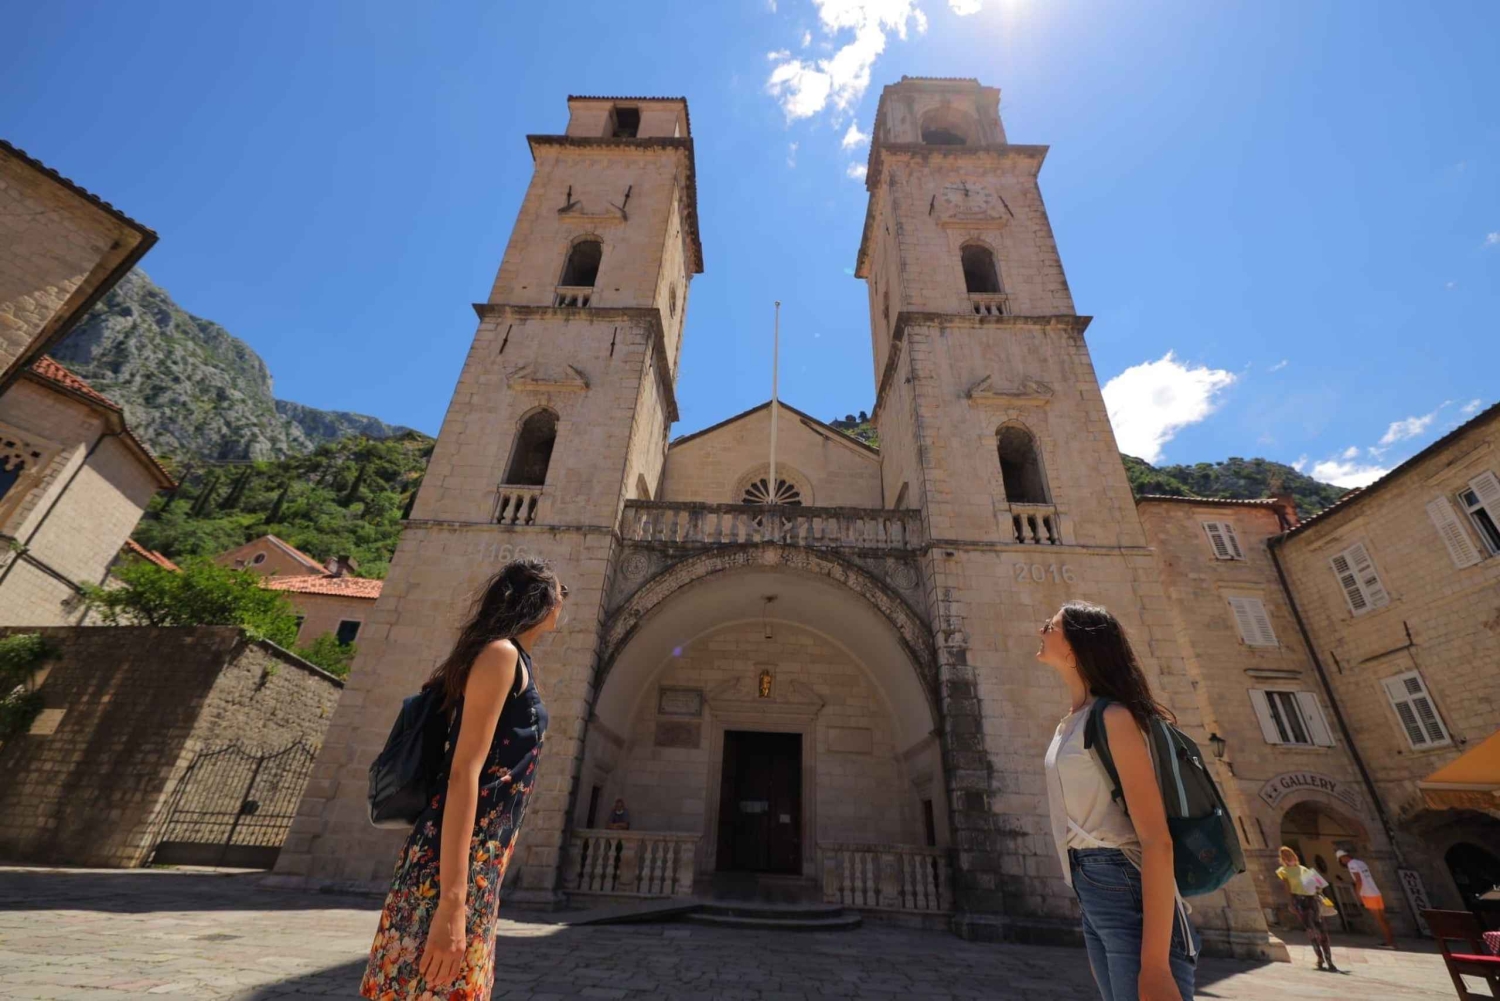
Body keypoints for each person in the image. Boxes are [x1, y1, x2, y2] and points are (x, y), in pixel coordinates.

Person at [361, 558, 565, 1001]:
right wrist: (452, 902)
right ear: (542, 600)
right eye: (560, 592)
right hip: (453, 865)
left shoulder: (514, 658)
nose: (564, 601)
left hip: (479, 863)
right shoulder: (501, 654)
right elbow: (463, 773)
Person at [1039, 600, 1198, 1001]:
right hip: (1092, 886)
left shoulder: (1113, 718)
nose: (1041, 631)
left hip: (1122, 881)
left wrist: (1156, 965)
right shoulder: (1074, 720)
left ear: (1075, 649)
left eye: (1050, 627)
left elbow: (1156, 840)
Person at [1275, 846, 1338, 972]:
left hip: (1299, 901)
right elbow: (1318, 887)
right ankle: (1328, 960)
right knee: (1321, 929)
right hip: (1312, 899)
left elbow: (1288, 888)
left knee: (1310, 929)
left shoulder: (1283, 871)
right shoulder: (1303, 869)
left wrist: (1291, 903)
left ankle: (1320, 959)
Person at [1337, 849, 1396, 949]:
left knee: (1379, 919)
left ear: (1342, 858)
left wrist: (1358, 893)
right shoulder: (1361, 862)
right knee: (1383, 918)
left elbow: (1359, 880)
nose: (1342, 862)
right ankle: (1390, 941)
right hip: (1375, 892)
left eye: (1340, 860)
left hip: (1368, 893)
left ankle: (1390, 943)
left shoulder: (1351, 864)